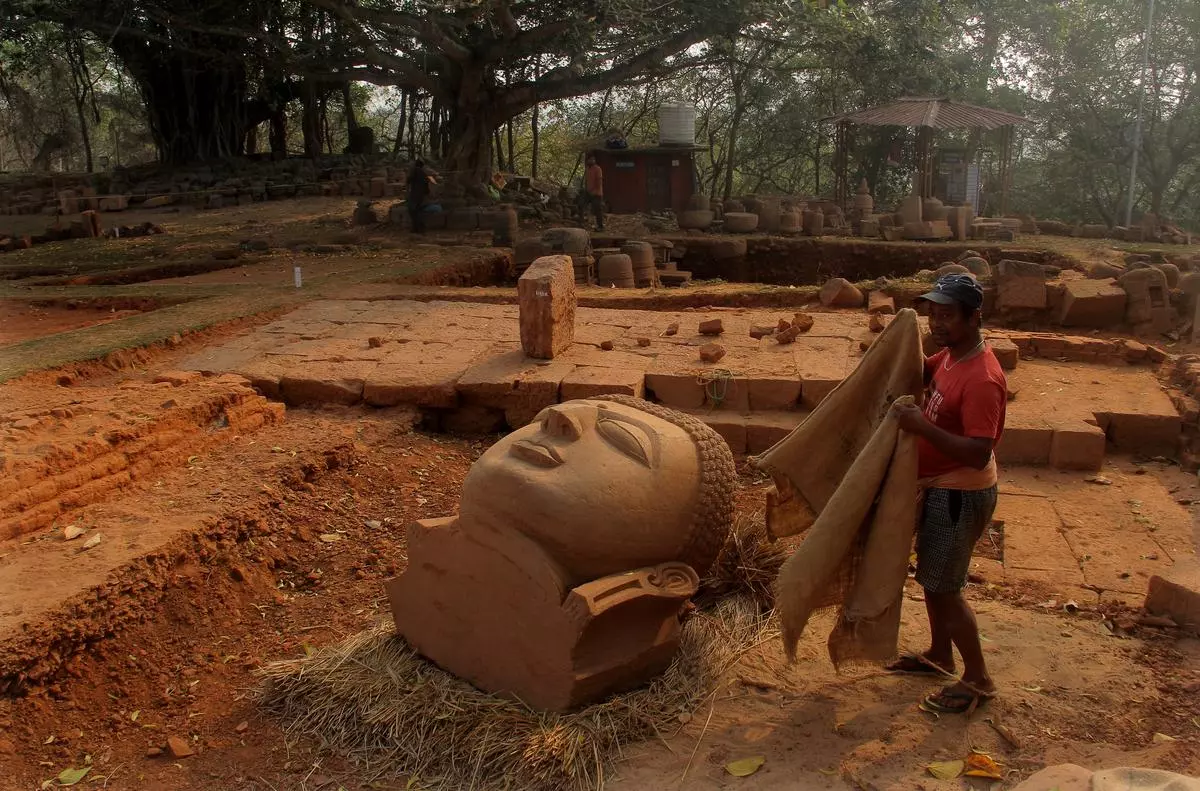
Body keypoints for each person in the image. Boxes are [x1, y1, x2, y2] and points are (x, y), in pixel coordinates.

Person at [888, 273, 1007, 714]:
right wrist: (897, 347)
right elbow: (927, 370)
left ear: (975, 317)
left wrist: (921, 427)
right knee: (933, 580)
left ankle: (978, 678)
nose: (937, 323)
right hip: (940, 488)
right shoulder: (952, 355)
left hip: (960, 493)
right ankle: (940, 655)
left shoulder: (982, 379)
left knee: (945, 588)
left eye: (948, 316)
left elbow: (978, 452)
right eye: (932, 314)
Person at [407, 159, 431, 233]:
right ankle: (418, 228)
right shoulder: (424, 173)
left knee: (412, 211)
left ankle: (418, 228)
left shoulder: (415, 170)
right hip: (421, 195)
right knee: (417, 211)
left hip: (415, 194)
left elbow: (409, 180)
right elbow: (427, 186)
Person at [584, 154, 605, 231]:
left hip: (596, 193)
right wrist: (587, 189)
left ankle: (600, 226)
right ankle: (583, 222)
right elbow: (587, 181)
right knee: (581, 204)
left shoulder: (597, 169)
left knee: (597, 210)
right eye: (590, 159)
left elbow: (599, 181)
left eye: (593, 159)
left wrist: (593, 190)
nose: (592, 161)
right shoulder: (588, 169)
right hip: (588, 192)